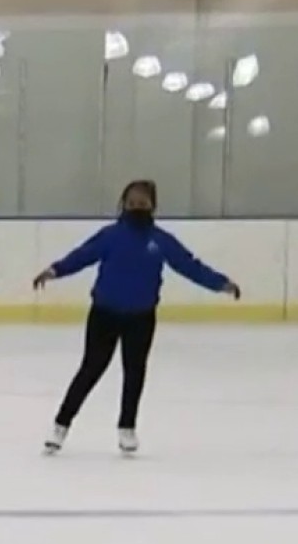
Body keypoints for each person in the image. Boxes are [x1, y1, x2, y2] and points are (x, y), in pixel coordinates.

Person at [33, 179, 239, 456]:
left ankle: (127, 428)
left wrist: (220, 283)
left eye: (142, 204)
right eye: (131, 204)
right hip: (104, 314)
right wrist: (54, 271)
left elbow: (189, 265)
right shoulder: (110, 236)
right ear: (123, 205)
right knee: (91, 370)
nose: (136, 208)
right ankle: (61, 424)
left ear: (153, 206)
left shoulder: (160, 241)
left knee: (134, 372)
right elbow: (82, 256)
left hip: (141, 317)